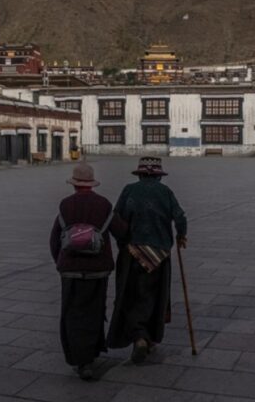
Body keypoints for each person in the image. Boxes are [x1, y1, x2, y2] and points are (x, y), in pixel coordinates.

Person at [107, 156, 187, 363]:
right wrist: (180, 236)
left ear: (141, 174)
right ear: (158, 176)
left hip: (132, 253)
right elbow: (180, 217)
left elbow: (116, 218)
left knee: (131, 295)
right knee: (155, 296)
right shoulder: (165, 192)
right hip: (159, 255)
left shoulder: (129, 190)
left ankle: (138, 336)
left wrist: (122, 242)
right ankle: (148, 336)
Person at [50, 163, 126, 380]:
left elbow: (54, 239)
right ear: (91, 184)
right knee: (93, 312)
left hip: (70, 271)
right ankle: (90, 357)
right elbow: (120, 231)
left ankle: (78, 358)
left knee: (72, 313)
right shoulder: (103, 204)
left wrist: (61, 262)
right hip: (97, 270)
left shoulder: (65, 205)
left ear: (74, 184)